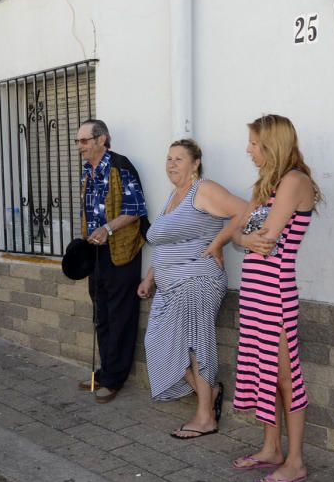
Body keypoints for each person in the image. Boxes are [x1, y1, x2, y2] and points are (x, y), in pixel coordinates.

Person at [230, 114, 321, 482]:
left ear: (271, 143)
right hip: (254, 289)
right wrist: (245, 237)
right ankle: (270, 448)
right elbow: (240, 234)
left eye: (253, 142)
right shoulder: (264, 185)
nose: (248, 149)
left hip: (276, 291)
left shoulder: (295, 182)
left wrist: (245, 237)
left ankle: (295, 461)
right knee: (264, 369)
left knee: (286, 375)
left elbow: (262, 234)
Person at [137, 140, 247, 438]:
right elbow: (167, 244)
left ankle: (205, 417)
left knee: (196, 346)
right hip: (169, 285)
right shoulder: (174, 196)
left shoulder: (204, 190)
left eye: (179, 159)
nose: (171, 164)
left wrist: (218, 242)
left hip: (198, 281)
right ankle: (209, 394)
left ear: (195, 163)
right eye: (168, 158)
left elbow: (245, 210)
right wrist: (150, 277)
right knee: (158, 343)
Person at [75, 119, 148, 403]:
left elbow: (135, 209)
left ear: (101, 139)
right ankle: (105, 372)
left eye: (84, 141)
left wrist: (108, 229)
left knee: (120, 315)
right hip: (96, 252)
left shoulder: (120, 166)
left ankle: (115, 378)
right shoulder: (87, 171)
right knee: (101, 313)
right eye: (78, 141)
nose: (79, 146)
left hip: (120, 250)